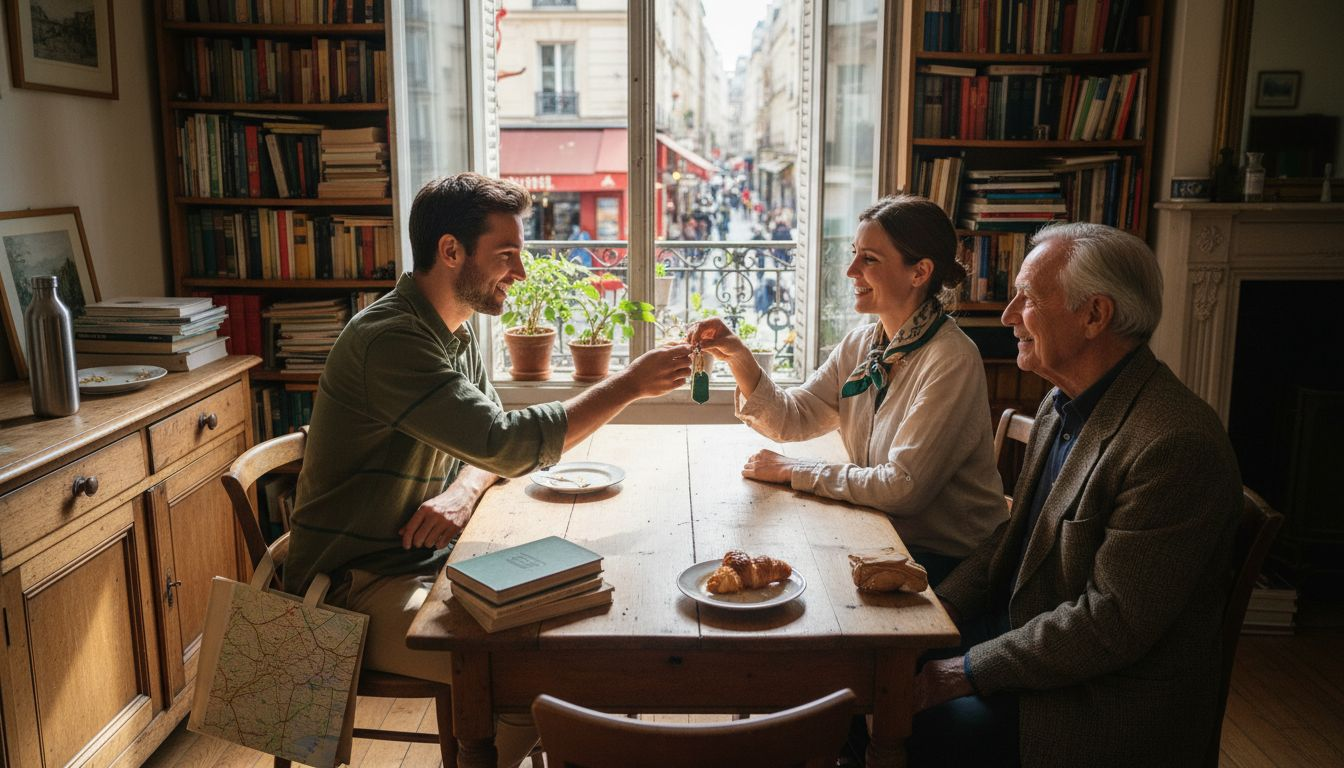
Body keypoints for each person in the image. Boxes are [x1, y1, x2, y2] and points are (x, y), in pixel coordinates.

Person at [284, 173, 692, 767]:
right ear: (451, 252)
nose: (520, 274)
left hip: (425, 560)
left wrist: (464, 489)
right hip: (352, 588)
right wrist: (628, 384)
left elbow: (489, 448)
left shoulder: (452, 328)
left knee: (584, 614)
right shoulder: (390, 341)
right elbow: (506, 445)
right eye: (506, 257)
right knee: (531, 677)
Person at [908, 222, 1242, 767]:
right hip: (1028, 645)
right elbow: (1009, 541)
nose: (1009, 314)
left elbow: (1110, 623)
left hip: (1098, 705)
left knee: (888, 708)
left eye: (1029, 299)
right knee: (862, 671)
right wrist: (935, 611)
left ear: (1095, 316)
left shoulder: (1175, 445)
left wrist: (964, 670)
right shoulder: (1060, 404)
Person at [688, 194, 1006, 586]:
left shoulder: (951, 358)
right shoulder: (861, 344)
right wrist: (738, 356)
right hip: (885, 539)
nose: (850, 270)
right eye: (854, 254)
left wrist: (796, 470)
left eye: (869, 259)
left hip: (952, 566)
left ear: (919, 272)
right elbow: (794, 418)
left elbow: (902, 488)